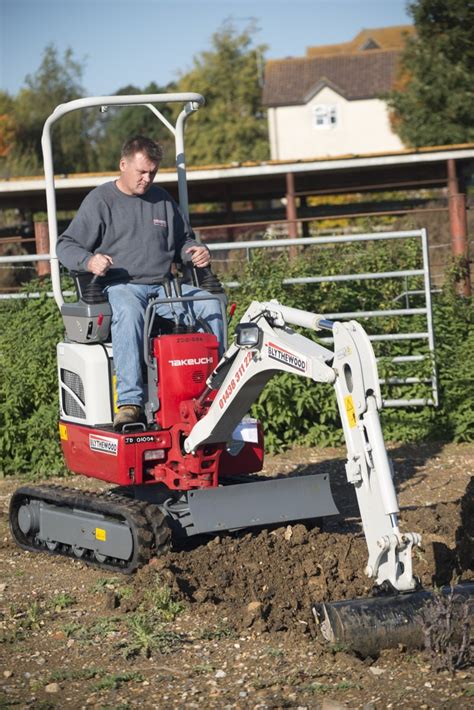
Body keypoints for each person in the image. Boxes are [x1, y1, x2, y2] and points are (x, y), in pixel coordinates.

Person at [57, 135, 225, 430]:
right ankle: (130, 402)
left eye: (152, 173)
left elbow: (182, 242)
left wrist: (194, 251)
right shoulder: (101, 201)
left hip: (165, 288)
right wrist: (89, 261)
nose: (147, 179)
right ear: (123, 165)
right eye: (141, 172)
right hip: (122, 286)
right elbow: (66, 245)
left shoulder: (162, 200)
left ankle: (218, 388)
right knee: (130, 311)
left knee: (210, 304)